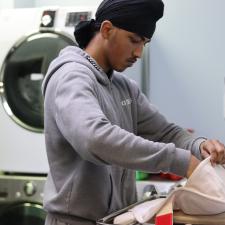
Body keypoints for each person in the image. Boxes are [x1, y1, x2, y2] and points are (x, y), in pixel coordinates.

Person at [42, 0, 225, 225]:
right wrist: (180, 161)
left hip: (118, 218)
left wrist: (198, 146)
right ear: (107, 30)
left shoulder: (124, 87)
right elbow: (94, 139)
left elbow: (166, 132)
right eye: (134, 40)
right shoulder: (71, 77)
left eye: (145, 43)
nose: (138, 52)